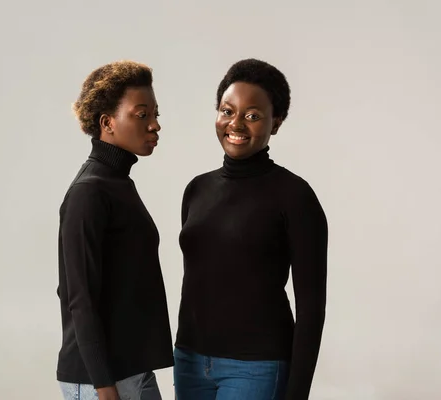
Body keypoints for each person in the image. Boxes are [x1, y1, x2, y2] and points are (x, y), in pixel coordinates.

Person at [173, 59, 328, 400]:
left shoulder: (295, 196)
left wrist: (297, 392)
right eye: (227, 111)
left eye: (253, 115)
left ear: (276, 123)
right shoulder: (196, 189)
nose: (236, 124)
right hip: (189, 360)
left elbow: (312, 307)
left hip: (257, 366)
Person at [56, 60, 174, 400]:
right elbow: (79, 298)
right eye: (142, 114)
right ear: (107, 123)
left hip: (131, 371)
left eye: (156, 114)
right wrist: (103, 387)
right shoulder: (89, 192)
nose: (155, 125)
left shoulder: (117, 183)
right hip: (102, 379)